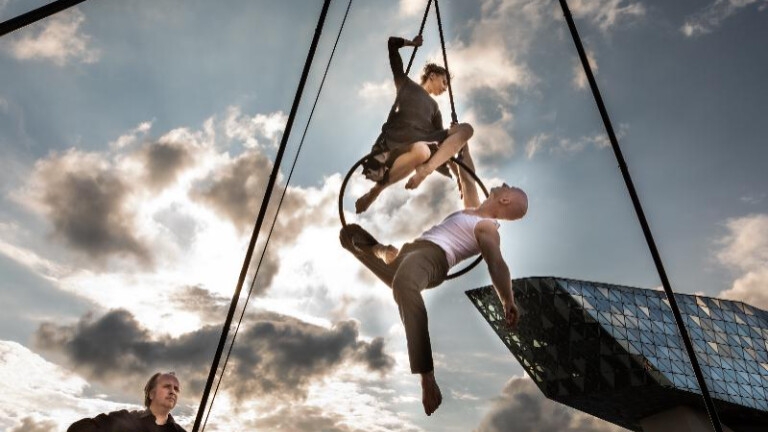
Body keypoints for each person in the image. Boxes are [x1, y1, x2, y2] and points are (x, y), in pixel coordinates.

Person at [340, 148, 527, 416]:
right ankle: (383, 251)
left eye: (509, 187)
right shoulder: (473, 211)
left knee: (404, 285)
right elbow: (466, 177)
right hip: (409, 253)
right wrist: (463, 149)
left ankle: (427, 377)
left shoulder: (487, 227)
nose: (504, 184)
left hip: (433, 259)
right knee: (350, 235)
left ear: (506, 199)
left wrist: (507, 299)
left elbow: (496, 263)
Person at [356, 34, 474, 214]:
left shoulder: (435, 108)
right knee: (424, 149)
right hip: (393, 144)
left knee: (456, 134)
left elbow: (443, 145)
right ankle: (376, 190)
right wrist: (413, 43)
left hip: (417, 146)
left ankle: (424, 171)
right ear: (432, 76)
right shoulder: (406, 85)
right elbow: (392, 44)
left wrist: (458, 174)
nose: (444, 89)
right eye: (444, 82)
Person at [67, 372, 187, 432]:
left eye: (176, 389)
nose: (173, 392)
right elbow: (77, 429)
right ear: (151, 393)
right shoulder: (125, 419)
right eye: (167, 386)